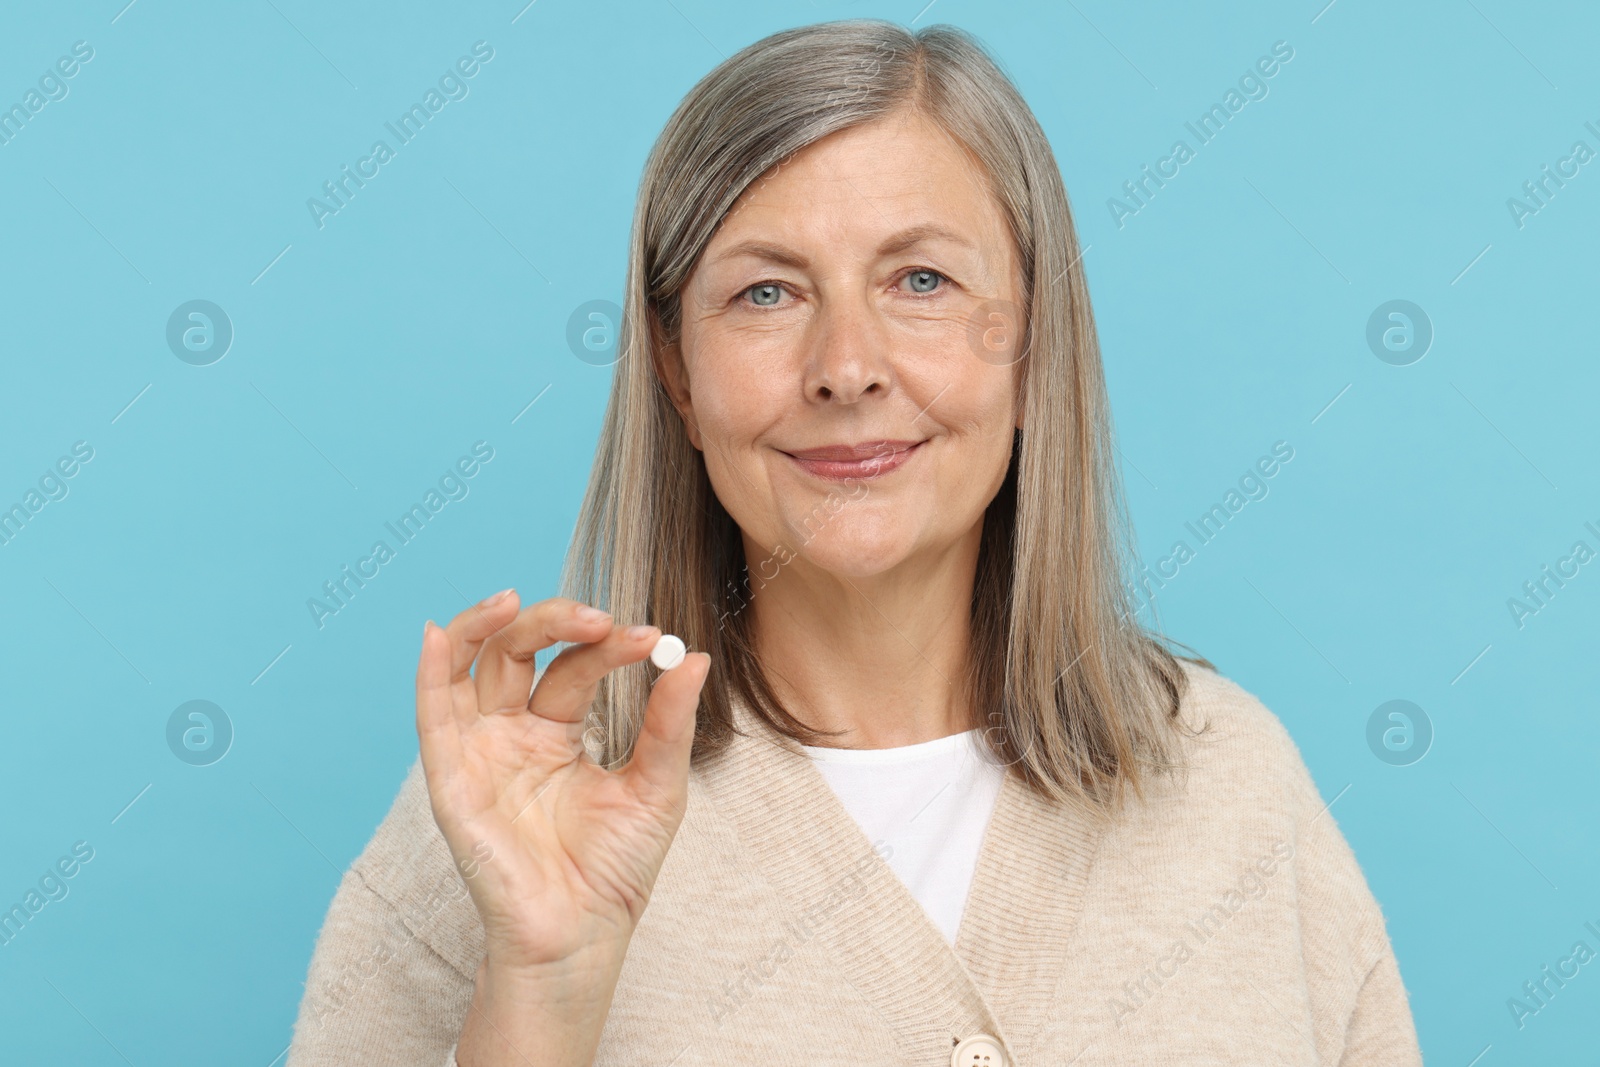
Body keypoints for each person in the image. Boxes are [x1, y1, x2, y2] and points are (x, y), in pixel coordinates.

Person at [286, 18, 1422, 1067]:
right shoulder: (506, 811)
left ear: (1031, 349)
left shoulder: (1232, 784)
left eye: (920, 279)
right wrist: (543, 990)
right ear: (677, 377)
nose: (845, 364)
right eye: (767, 293)